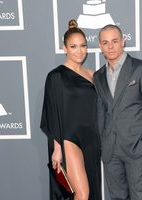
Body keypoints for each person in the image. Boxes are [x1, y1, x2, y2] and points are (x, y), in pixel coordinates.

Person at [93, 24, 142, 200]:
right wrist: (103, 142)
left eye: (115, 41)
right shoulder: (98, 76)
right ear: (100, 46)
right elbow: (102, 111)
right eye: (105, 42)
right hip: (110, 151)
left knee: (141, 197)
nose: (110, 46)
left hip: (136, 148)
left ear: (123, 41)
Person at [40, 19, 101, 200]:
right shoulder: (55, 76)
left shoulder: (93, 75)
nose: (79, 51)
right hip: (68, 138)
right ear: (64, 48)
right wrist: (57, 148)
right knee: (82, 194)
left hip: (92, 138)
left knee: (92, 193)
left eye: (83, 46)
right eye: (73, 46)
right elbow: (52, 113)